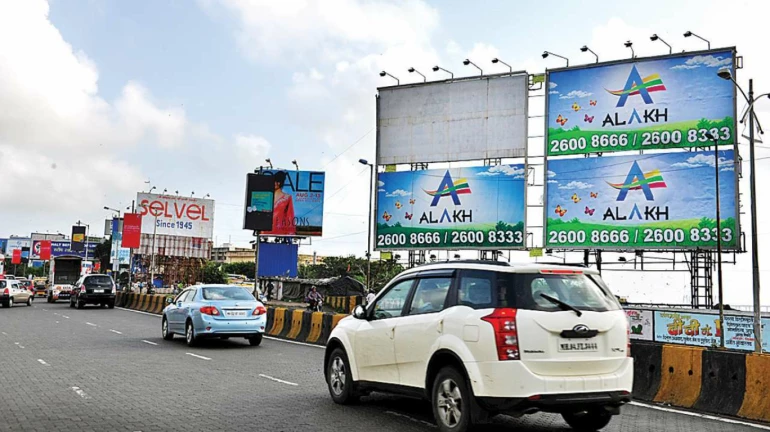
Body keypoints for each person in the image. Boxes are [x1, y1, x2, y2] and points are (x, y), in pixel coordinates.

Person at [269, 171, 296, 235]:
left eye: (278, 181)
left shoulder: (287, 198)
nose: (275, 183)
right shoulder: (267, 196)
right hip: (265, 230)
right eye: (274, 181)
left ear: (281, 182)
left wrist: (290, 233)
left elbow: (290, 216)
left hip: (280, 231)